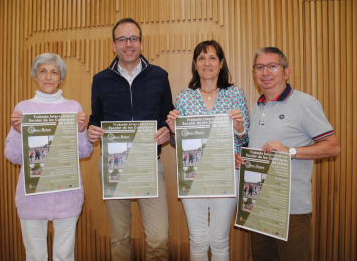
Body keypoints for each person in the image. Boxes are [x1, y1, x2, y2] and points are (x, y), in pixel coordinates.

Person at [236, 47, 341, 261]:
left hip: (292, 210)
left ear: (286, 72)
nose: (266, 72)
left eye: (272, 66)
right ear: (254, 74)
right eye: (260, 67)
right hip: (257, 206)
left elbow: (333, 146)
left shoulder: (305, 104)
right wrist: (243, 159)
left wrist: (290, 151)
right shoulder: (256, 108)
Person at [87, 18, 173, 261]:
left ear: (141, 43)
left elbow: (168, 114)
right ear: (113, 45)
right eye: (122, 39)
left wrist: (167, 128)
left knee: (159, 239)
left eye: (133, 38)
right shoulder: (100, 79)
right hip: (114, 165)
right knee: (120, 238)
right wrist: (92, 130)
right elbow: (96, 118)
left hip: (149, 164)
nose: (128, 44)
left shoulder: (159, 75)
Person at [4, 53, 93, 261]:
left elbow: (85, 152)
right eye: (42, 70)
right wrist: (17, 131)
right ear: (35, 75)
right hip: (32, 196)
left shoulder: (73, 108)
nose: (48, 76)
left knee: (64, 255)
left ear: (61, 77)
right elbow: (13, 156)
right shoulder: (23, 109)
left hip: (67, 194)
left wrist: (81, 131)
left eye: (54, 71)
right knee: (35, 256)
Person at [166, 40, 250, 261]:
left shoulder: (235, 94)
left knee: (220, 239)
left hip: (227, 172)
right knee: (198, 239)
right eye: (201, 58)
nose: (207, 63)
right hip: (193, 174)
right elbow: (178, 143)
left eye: (212, 57)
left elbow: (246, 139)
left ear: (221, 63)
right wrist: (174, 131)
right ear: (195, 64)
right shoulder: (185, 96)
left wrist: (239, 129)